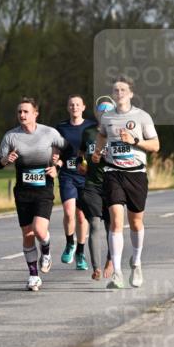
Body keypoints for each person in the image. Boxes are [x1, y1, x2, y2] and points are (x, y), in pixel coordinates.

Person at [95, 76, 160, 289]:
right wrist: (97, 152)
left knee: (135, 222)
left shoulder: (142, 117)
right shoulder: (107, 117)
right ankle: (118, 273)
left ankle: (137, 262)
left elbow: (156, 145)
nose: (119, 93)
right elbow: (102, 136)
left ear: (131, 94)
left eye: (123, 90)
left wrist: (134, 141)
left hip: (136, 174)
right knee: (115, 220)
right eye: (116, 90)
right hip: (113, 172)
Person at [0, 97, 66, 291]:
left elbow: (69, 151)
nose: (22, 115)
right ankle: (33, 275)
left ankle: (47, 251)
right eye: (19, 112)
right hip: (23, 191)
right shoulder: (11, 136)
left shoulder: (49, 133)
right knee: (27, 234)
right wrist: (6, 160)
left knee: (40, 230)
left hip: (44, 189)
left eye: (26, 112)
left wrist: (57, 166)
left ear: (36, 113)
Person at [54, 95, 96, 270]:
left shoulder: (91, 126)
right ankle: (70, 243)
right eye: (71, 104)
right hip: (67, 175)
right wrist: (56, 160)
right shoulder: (61, 127)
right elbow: (56, 149)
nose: (74, 107)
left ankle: (80, 252)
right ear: (67, 107)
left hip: (85, 175)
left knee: (81, 215)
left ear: (83, 107)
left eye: (77, 104)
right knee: (69, 212)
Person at [77, 97, 114, 280]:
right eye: (101, 112)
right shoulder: (88, 132)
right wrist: (80, 164)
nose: (104, 115)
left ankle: (110, 260)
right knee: (93, 223)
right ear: (97, 113)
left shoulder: (117, 132)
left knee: (111, 226)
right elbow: (81, 154)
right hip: (91, 185)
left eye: (108, 112)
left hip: (113, 184)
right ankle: (96, 268)